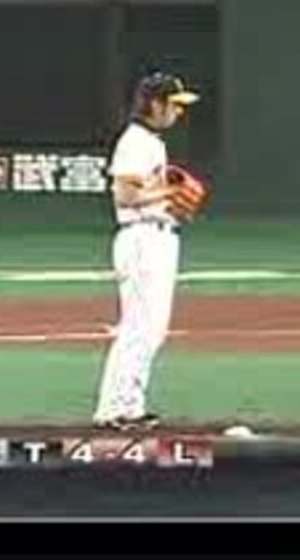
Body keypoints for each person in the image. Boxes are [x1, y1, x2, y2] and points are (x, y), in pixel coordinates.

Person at [93, 72, 203, 430]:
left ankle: (128, 407)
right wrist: (169, 193)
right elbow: (125, 195)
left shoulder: (150, 142)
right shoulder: (136, 142)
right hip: (142, 240)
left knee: (150, 329)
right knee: (140, 329)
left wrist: (166, 198)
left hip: (155, 237)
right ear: (155, 104)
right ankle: (115, 410)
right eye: (174, 105)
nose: (178, 112)